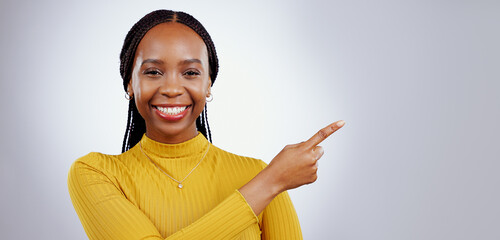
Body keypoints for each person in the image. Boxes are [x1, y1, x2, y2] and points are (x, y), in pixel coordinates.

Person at [68, 9, 345, 240]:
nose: (172, 88)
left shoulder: (256, 172)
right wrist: (270, 183)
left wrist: (269, 180)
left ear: (209, 83)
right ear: (130, 83)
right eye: (153, 72)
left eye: (190, 72)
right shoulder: (95, 173)